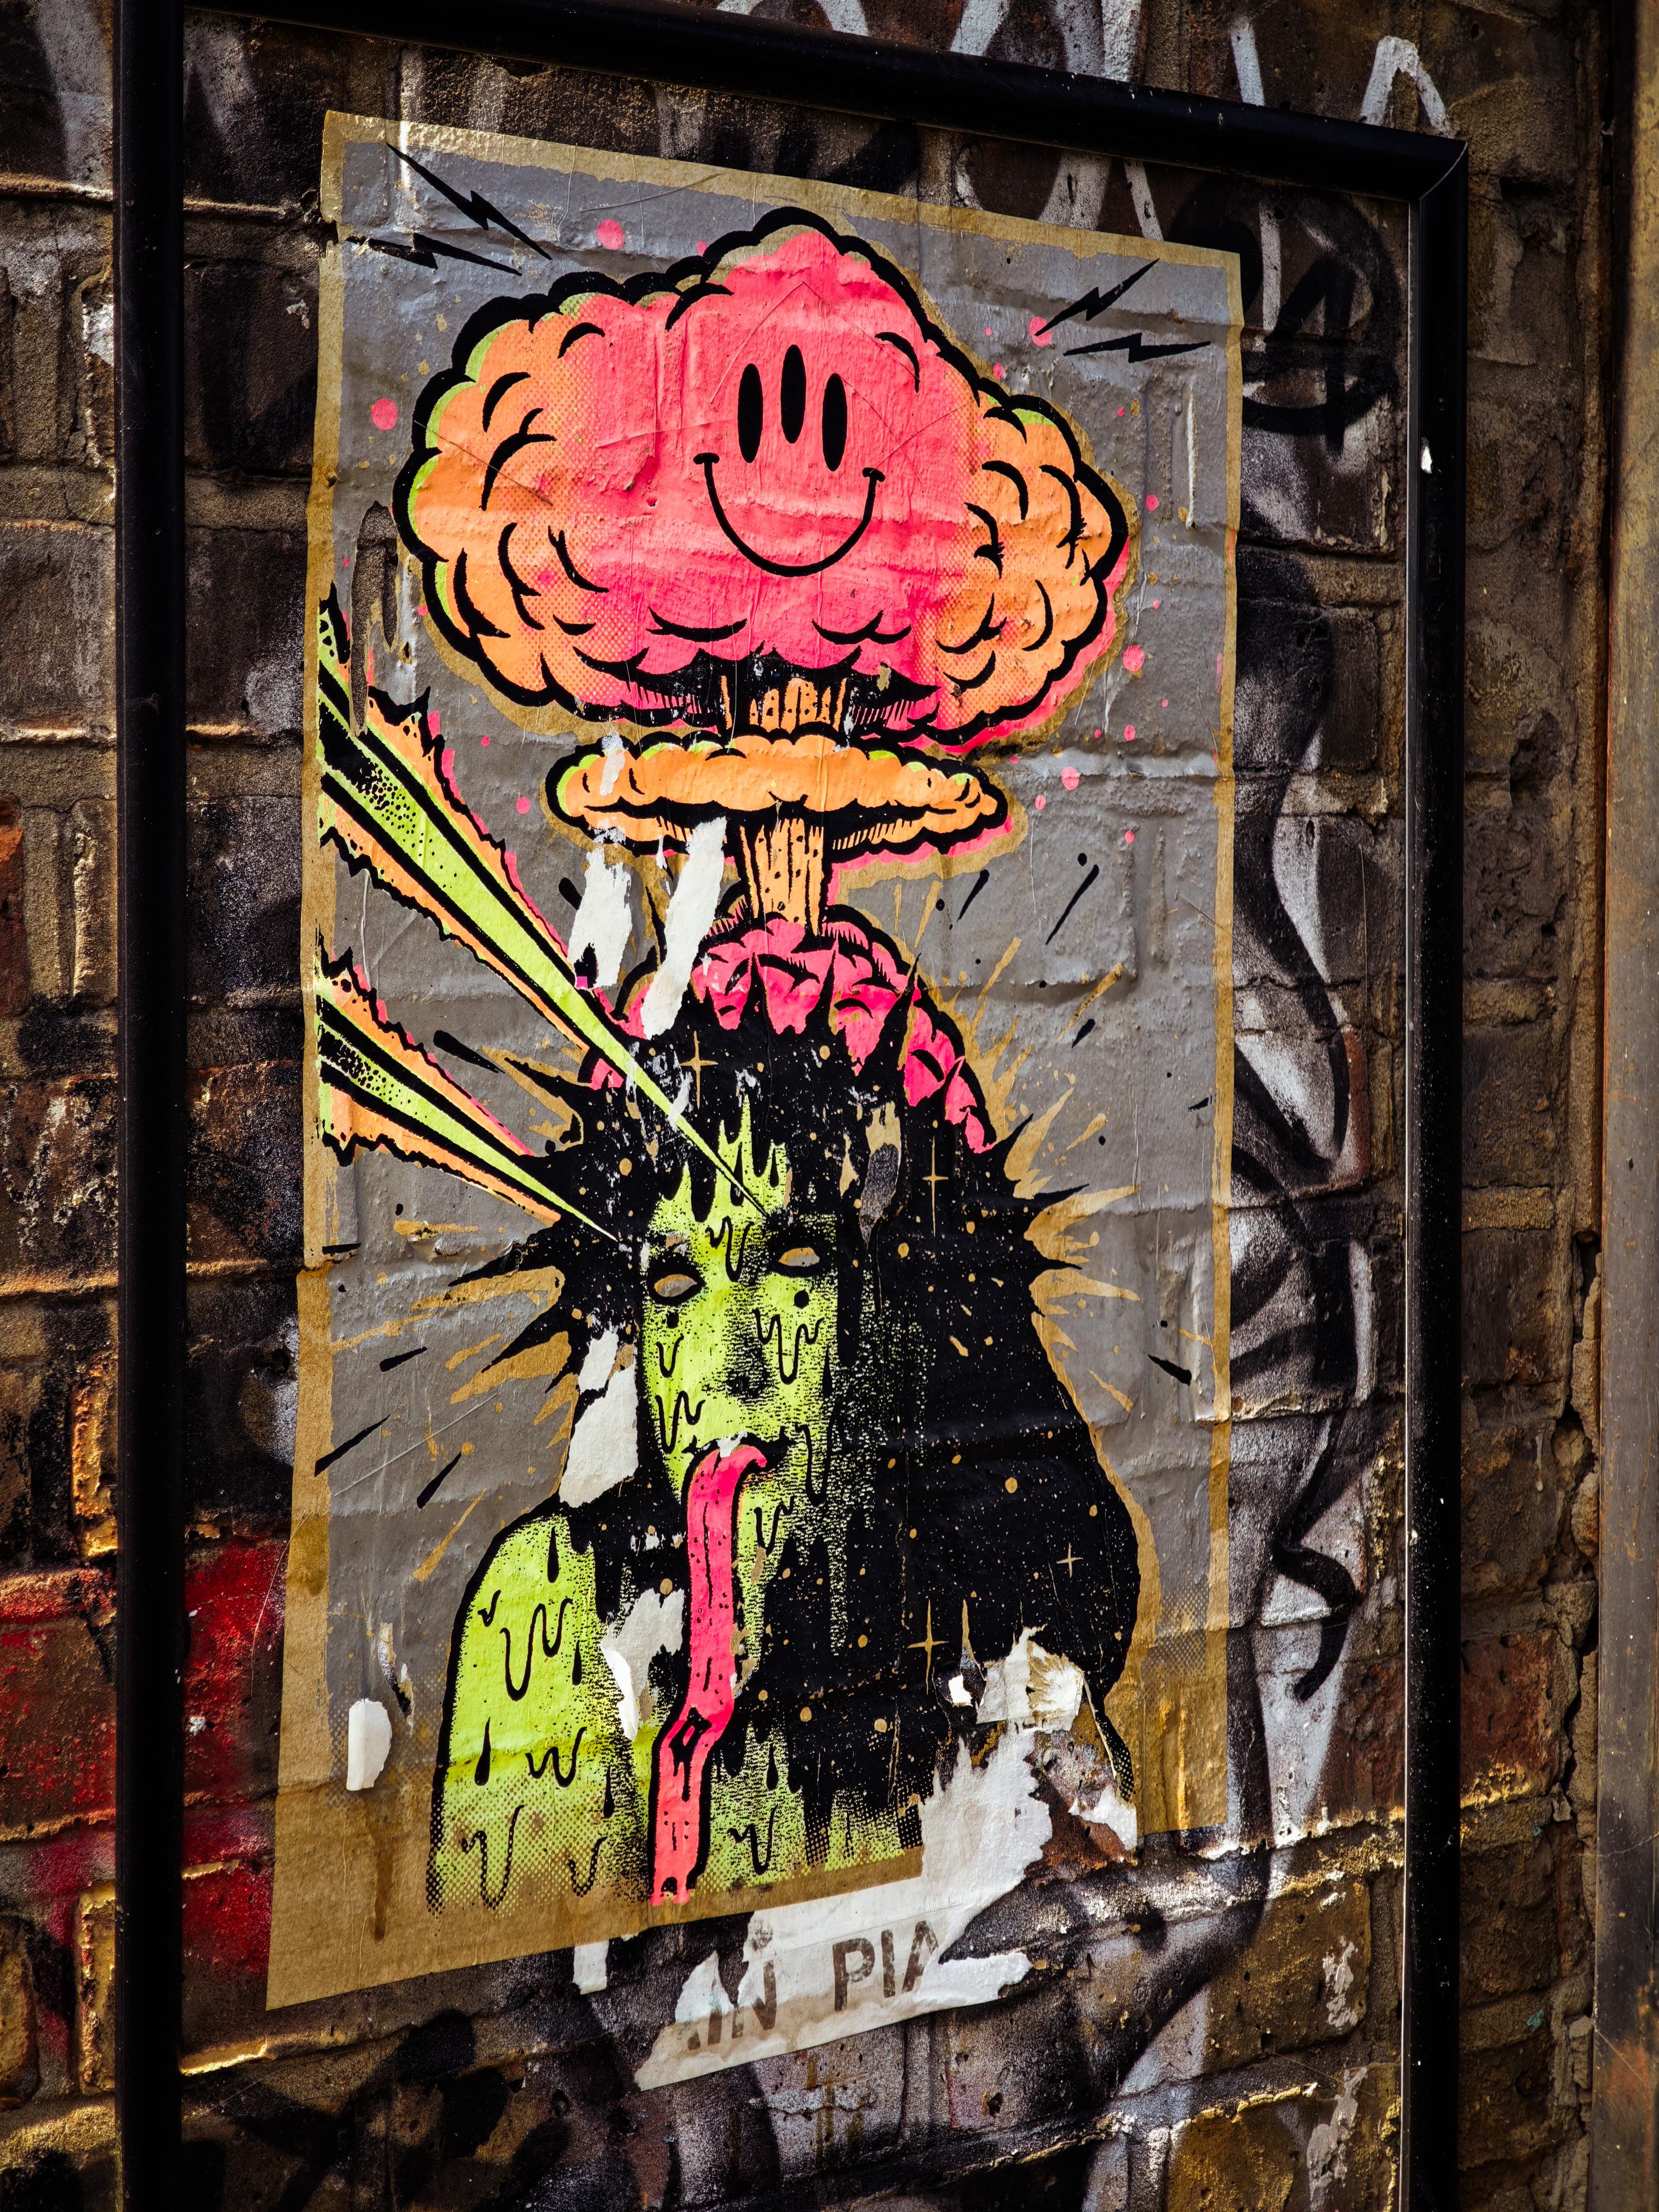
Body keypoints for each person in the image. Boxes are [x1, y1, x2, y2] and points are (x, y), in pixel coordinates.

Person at [428, 926, 1139, 1917]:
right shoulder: (554, 1605)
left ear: (901, 1311)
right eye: (675, 1287)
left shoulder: (992, 1623)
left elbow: (1085, 1917)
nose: (733, 1359)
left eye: (796, 1266)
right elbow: (532, 1957)